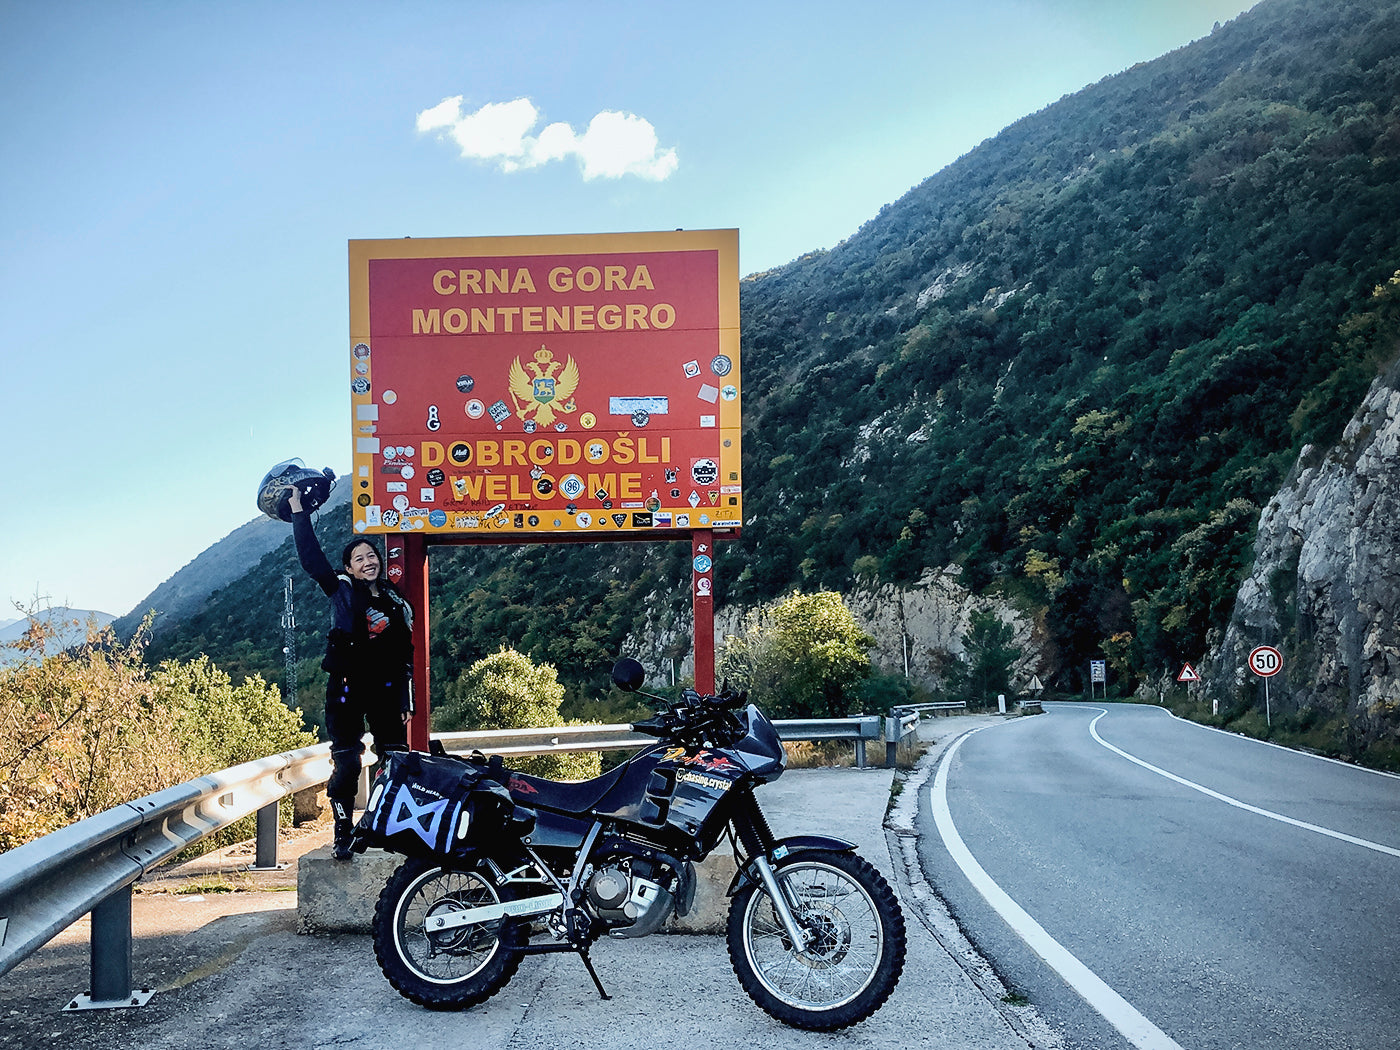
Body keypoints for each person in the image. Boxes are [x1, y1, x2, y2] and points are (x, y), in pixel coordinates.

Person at [289, 485, 414, 859]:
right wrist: (299, 510)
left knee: (395, 759)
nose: (366, 562)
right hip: (346, 687)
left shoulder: (395, 599)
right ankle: (342, 830)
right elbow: (311, 560)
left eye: (371, 555)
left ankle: (389, 823)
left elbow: (405, 651)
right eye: (358, 558)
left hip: (388, 688)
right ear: (348, 568)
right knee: (346, 762)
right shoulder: (341, 590)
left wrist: (405, 696)